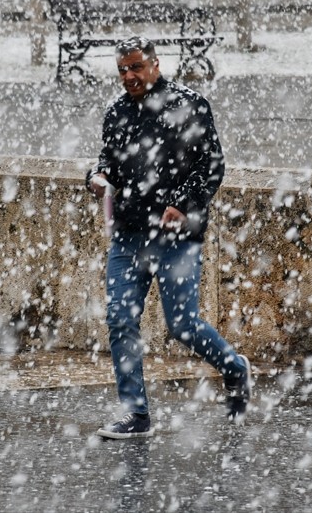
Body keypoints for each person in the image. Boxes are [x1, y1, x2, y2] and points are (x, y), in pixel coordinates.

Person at [87, 36, 252, 440]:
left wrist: (182, 203)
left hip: (178, 235)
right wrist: (98, 176)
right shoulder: (117, 113)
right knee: (120, 319)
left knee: (182, 325)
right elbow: (107, 160)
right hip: (128, 234)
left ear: (155, 65)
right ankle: (136, 414)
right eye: (123, 69)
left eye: (136, 68)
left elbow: (212, 166)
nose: (129, 76)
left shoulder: (188, 105)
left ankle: (234, 368)